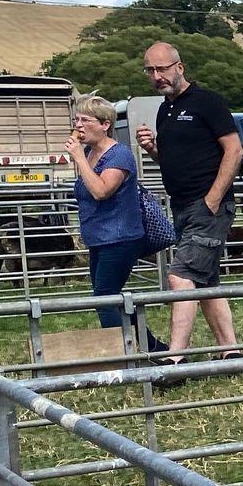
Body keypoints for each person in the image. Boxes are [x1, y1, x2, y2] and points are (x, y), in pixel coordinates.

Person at [134, 42, 243, 358]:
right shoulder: (164, 109)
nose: (157, 76)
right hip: (182, 204)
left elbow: (234, 151)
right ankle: (230, 351)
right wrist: (153, 150)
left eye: (163, 69)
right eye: (150, 70)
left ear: (179, 67)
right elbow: (172, 160)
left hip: (208, 205)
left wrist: (212, 199)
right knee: (205, 279)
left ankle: (176, 359)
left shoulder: (207, 102)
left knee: (180, 275)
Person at [66, 94, 161, 343]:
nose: (78, 126)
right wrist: (81, 157)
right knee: (108, 297)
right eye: (76, 120)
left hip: (119, 238)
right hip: (99, 238)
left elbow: (101, 191)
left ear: (105, 124)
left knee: (105, 299)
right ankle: (148, 347)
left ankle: (139, 350)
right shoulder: (88, 152)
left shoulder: (120, 155)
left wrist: (77, 158)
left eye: (85, 120)